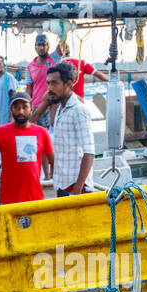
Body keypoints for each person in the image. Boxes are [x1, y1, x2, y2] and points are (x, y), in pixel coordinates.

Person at [45, 62, 95, 196]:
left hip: (76, 187)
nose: (49, 88)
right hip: (62, 183)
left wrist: (78, 188)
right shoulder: (60, 109)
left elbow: (89, 152)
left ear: (68, 84)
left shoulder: (79, 110)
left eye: (54, 83)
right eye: (48, 83)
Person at [25, 33, 61, 127]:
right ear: (35, 47)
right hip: (36, 107)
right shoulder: (29, 67)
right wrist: (27, 106)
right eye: (38, 45)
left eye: (43, 45)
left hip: (52, 105)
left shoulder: (54, 58)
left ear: (48, 46)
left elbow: (62, 44)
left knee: (51, 135)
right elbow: (29, 88)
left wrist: (62, 31)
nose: (41, 48)